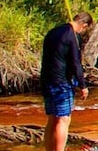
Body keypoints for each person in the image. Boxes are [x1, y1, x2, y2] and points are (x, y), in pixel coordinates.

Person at [40, 13, 93, 151]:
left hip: (47, 80)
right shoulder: (73, 37)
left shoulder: (53, 32)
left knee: (52, 119)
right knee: (63, 120)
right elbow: (76, 63)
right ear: (84, 25)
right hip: (61, 82)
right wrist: (82, 85)